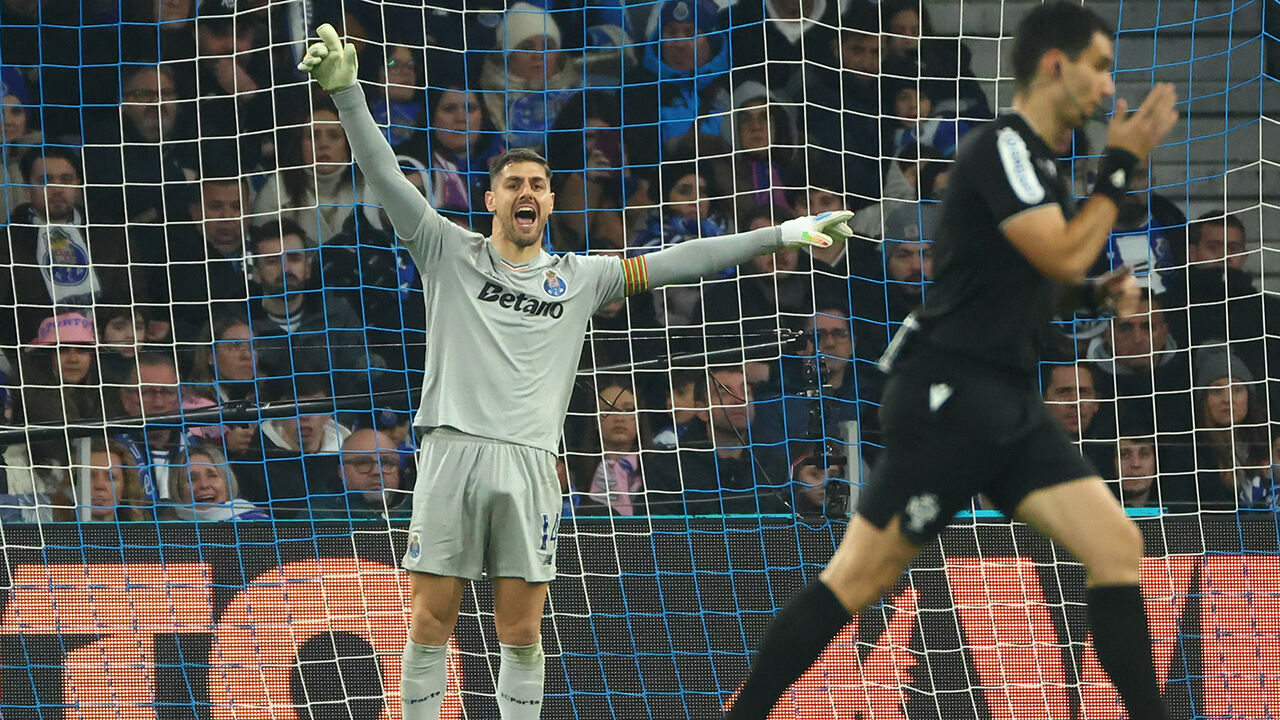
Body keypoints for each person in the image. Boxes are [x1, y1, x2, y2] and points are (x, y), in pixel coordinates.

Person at [297, 24, 852, 720]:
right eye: (513, 183)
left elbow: (685, 260)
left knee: (521, 631)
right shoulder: (446, 248)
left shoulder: (581, 277)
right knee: (430, 622)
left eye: (538, 183)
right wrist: (348, 93)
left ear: (550, 202)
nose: (526, 191)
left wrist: (784, 233)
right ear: (492, 199)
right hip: (449, 453)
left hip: (531, 462)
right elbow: (382, 175)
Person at [723, 5, 1179, 719]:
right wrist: (1120, 166)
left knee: (1117, 544)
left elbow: (1034, 281)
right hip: (947, 396)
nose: (1107, 81)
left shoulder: (1043, 165)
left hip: (1003, 403)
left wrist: (1095, 291)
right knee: (858, 579)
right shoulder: (1002, 147)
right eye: (1100, 63)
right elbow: (1060, 250)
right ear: (1056, 66)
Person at [311, 428, 412, 519]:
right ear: (341, 472)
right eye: (363, 463)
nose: (377, 472)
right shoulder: (317, 516)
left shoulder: (418, 511)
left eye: (386, 463)